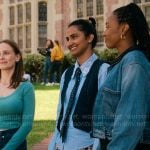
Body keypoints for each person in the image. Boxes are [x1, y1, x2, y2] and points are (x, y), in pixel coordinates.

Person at [92, 3, 150, 150]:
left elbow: (129, 122)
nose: (104, 33)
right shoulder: (124, 62)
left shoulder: (133, 63)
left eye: (108, 26)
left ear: (124, 29)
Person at [48, 17, 109, 150]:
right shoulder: (67, 74)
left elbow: (104, 116)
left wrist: (96, 146)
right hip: (61, 145)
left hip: (85, 145)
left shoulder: (102, 70)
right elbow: (61, 110)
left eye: (74, 37)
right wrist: (54, 144)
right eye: (68, 39)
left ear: (89, 38)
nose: (70, 43)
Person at [0, 39, 35, 149]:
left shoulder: (26, 87)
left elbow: (27, 125)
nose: (1, 57)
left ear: (17, 57)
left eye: (6, 53)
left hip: (14, 141)